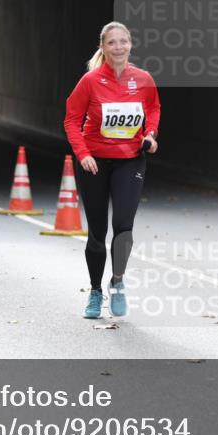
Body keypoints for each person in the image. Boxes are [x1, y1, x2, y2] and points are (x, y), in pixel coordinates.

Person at [63, 22, 161, 319]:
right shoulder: (90, 81)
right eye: (112, 43)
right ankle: (95, 292)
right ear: (103, 48)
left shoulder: (142, 79)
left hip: (130, 159)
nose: (118, 47)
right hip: (94, 162)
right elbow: (71, 119)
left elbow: (153, 108)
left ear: (130, 45)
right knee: (97, 232)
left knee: (123, 226)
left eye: (123, 42)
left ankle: (117, 282)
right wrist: (83, 154)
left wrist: (150, 135)